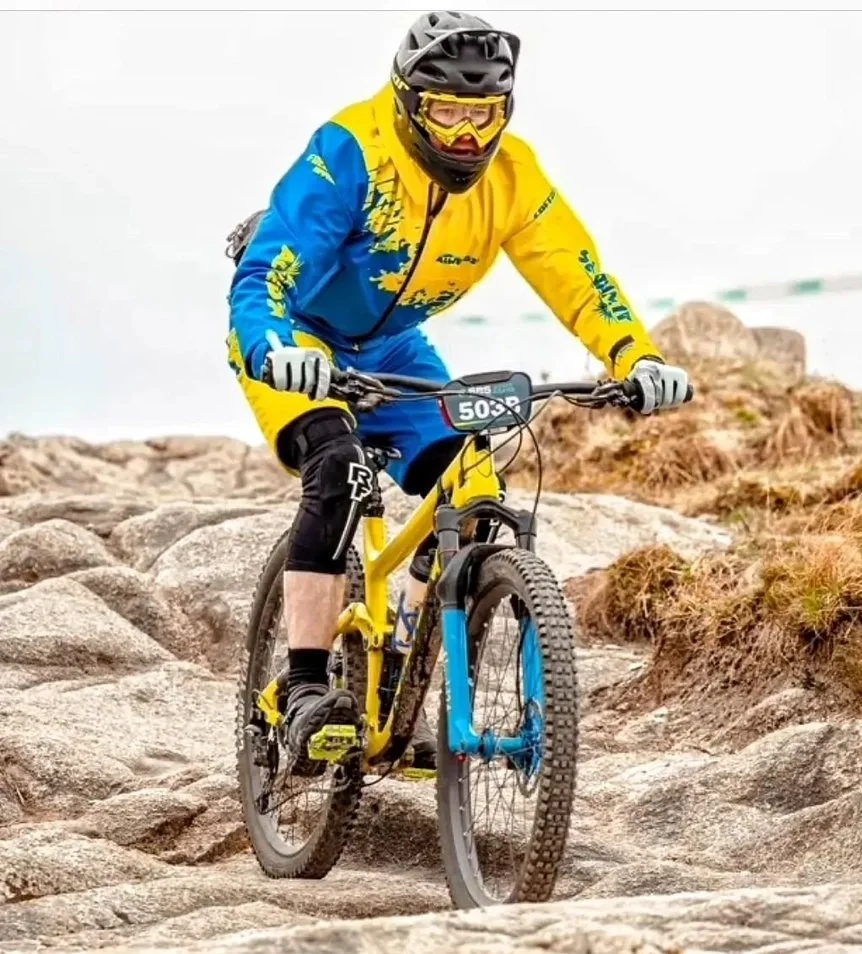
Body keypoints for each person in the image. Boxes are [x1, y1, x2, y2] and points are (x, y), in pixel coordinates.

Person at [225, 10, 690, 773]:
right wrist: (274, 346)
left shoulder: (514, 177)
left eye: (484, 116)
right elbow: (268, 271)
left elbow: (580, 277)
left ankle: (403, 672)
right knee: (338, 471)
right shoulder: (353, 151)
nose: (467, 136)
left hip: (393, 348)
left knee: (475, 490)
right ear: (409, 102)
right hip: (296, 336)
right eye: (447, 112)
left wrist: (635, 357)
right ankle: (307, 687)